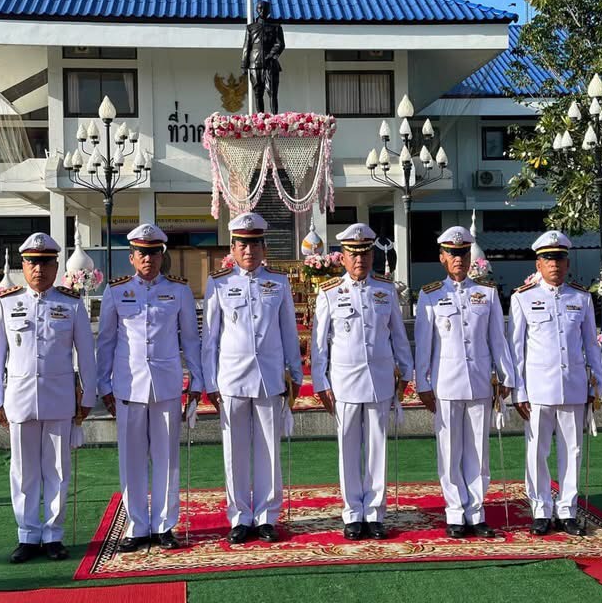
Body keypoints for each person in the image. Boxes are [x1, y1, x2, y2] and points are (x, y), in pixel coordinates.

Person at [0, 233, 97, 564]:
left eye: (46, 262)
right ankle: (27, 534)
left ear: (56, 265)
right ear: (23, 265)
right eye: (33, 262)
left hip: (59, 399)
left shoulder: (71, 303)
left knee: (57, 470)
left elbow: (86, 355)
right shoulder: (6, 303)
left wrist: (88, 396)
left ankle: (53, 535)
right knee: (24, 471)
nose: (39, 269)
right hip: (20, 399)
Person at [96, 223, 203, 552]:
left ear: (162, 255)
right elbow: (106, 341)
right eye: (142, 253)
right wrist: (103, 385)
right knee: (131, 459)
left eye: (154, 252)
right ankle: (137, 525)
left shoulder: (179, 291)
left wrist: (197, 381)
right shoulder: (115, 291)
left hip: (167, 385)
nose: (148, 258)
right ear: (131, 257)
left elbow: (191, 340)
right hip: (128, 386)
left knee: (167, 458)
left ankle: (164, 525)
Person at [201, 211, 303, 544]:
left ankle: (267, 516)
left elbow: (289, 332)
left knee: (269, 450)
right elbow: (210, 338)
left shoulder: (279, 282)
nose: (249, 250)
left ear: (264, 248)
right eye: (243, 245)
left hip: (269, 377)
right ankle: (240, 516)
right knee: (235, 451)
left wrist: (296, 373)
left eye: (255, 244)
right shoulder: (219, 283)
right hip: (232, 378)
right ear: (232, 248)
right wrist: (210, 382)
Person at [311, 223, 413, 541]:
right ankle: (353, 513)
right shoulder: (329, 292)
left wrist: (406, 371)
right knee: (348, 448)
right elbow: (319, 344)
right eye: (354, 254)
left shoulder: (385, 290)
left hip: (379, 380)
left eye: (365, 253)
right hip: (345, 382)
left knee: (377, 448)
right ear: (342, 257)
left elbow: (398, 334)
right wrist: (320, 382)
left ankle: (375, 513)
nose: (360, 260)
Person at [414, 226, 515, 538]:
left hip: (479, 382)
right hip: (446, 383)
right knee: (450, 451)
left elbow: (497, 339)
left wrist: (506, 374)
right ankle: (455, 513)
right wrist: (423, 384)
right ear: (442, 258)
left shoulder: (486, 294)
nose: (458, 258)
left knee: (478, 452)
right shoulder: (430, 294)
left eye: (463, 253)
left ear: (470, 257)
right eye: (452, 253)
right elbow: (424, 344)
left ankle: (476, 511)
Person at [509, 231, 602, 536]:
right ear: (538, 263)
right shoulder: (523, 297)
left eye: (560, 258)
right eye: (548, 259)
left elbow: (591, 344)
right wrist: (518, 390)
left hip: (573, 385)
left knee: (572, 451)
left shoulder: (581, 297)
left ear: (567, 262)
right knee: (537, 451)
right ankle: (540, 509)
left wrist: (596, 383)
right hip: (538, 389)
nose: (555, 265)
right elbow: (516, 349)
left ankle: (567, 509)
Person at [241, 0, 285, 113]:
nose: (262, 10)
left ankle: (274, 118)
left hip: (270, 64)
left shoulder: (276, 27)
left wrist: (271, 55)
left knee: (272, 93)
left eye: (265, 8)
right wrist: (244, 65)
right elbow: (246, 47)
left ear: (269, 10)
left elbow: (280, 44)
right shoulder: (251, 28)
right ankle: (260, 119)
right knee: (258, 93)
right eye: (260, 8)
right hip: (254, 64)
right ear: (256, 9)